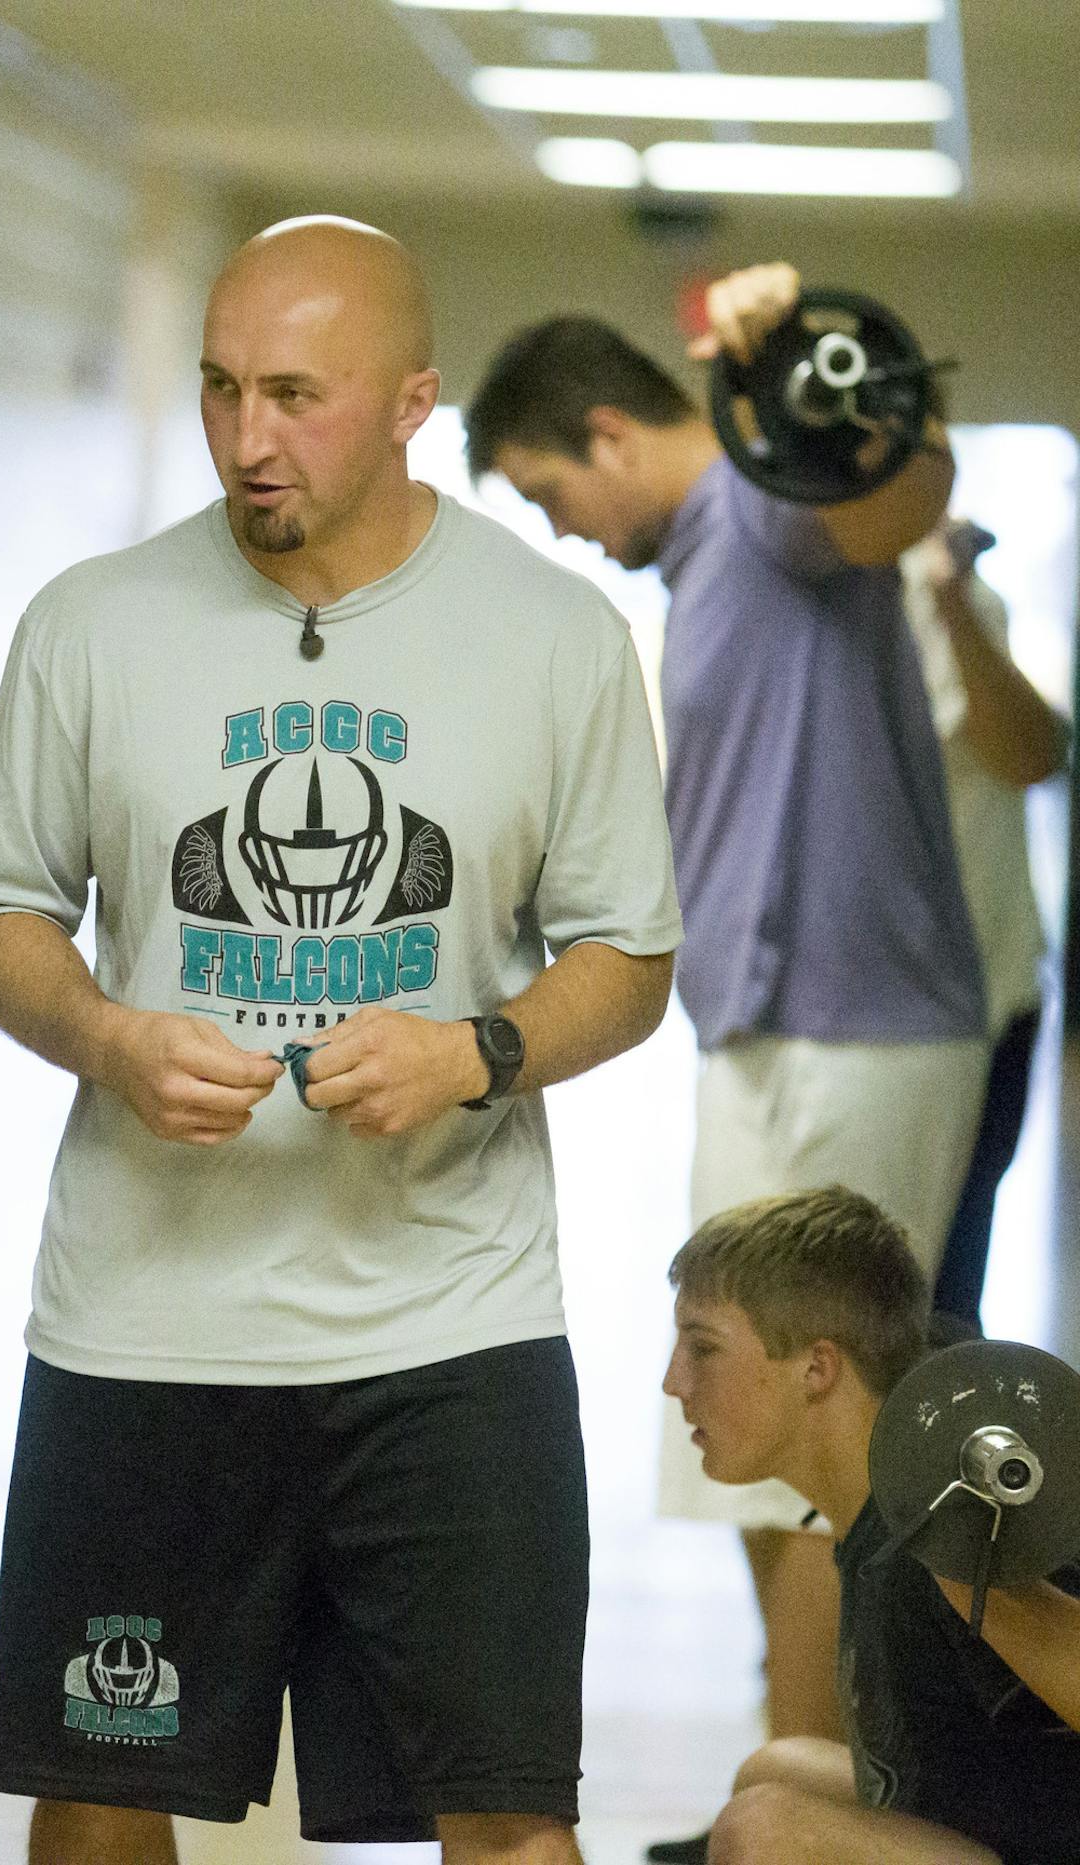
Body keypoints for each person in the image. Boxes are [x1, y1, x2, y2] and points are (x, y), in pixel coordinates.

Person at [0, 216, 682, 1865]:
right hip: (146, 1330)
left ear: (414, 398)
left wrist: (473, 1051)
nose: (246, 438)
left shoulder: (556, 637)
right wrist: (107, 1035)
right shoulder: (93, 623)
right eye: (218, 390)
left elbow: (628, 961)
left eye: (295, 395)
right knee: (101, 1790)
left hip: (453, 1331)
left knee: (506, 1810)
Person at [466, 267, 990, 1833]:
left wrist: (812, 366)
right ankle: (815, 1781)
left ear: (612, 433)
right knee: (751, 1435)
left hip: (864, 1024)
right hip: (767, 1030)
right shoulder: (703, 569)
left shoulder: (765, 511)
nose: (566, 531)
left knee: (817, 1424)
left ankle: (841, 1810)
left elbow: (892, 505)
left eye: (556, 494)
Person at [662, 1186, 1080, 1865]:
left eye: (702, 1348)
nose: (674, 1382)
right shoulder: (882, 1494)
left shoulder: (952, 1511)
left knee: (766, 1828)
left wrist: (1002, 1598)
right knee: (775, 1771)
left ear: (818, 1367)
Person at [900, 518, 1069, 1332]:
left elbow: (1034, 753)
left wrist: (950, 597)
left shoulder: (963, 600)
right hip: (888, 1013)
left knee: (949, 1286)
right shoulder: (821, 606)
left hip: (993, 993)